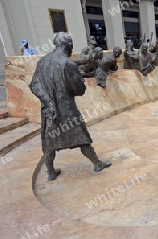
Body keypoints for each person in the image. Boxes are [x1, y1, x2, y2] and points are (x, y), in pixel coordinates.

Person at [29, 32, 111, 181]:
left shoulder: (42, 61)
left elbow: (34, 84)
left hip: (49, 112)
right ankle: (97, 163)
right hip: (66, 109)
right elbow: (79, 90)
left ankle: (51, 171)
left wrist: (48, 102)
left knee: (49, 141)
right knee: (81, 136)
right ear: (69, 45)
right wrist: (80, 83)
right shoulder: (67, 63)